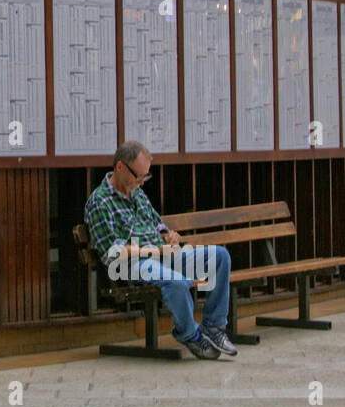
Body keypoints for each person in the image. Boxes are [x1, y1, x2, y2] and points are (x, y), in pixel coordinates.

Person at [83, 140, 235, 360]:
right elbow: (112, 254)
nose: (142, 182)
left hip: (162, 254)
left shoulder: (136, 192)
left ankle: (214, 327)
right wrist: (153, 251)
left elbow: (157, 224)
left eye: (146, 176)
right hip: (132, 265)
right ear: (120, 167)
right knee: (177, 281)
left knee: (219, 257)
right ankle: (190, 335)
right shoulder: (99, 202)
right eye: (139, 176)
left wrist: (169, 235)